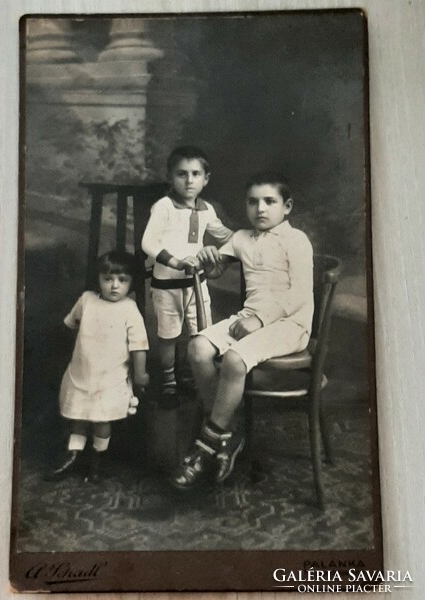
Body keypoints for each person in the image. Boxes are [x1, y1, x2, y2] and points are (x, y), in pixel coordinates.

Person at [170, 171, 314, 490]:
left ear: (286, 207)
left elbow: (299, 295)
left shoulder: (297, 240)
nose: (260, 209)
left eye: (269, 202)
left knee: (235, 361)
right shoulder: (241, 237)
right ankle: (226, 431)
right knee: (197, 348)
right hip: (249, 317)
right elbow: (216, 267)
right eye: (253, 202)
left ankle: (206, 444)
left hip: (290, 324)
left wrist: (260, 320)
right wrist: (208, 257)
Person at [46, 250, 150, 482]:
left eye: (122, 280)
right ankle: (72, 454)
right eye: (108, 279)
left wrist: (141, 374)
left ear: (131, 283)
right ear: (98, 279)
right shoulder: (87, 301)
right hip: (82, 372)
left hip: (110, 378)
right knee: (79, 416)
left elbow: (139, 345)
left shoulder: (129, 309)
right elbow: (69, 324)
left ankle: (97, 459)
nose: (114, 286)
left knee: (101, 419)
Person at [141, 145, 233, 403]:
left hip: (196, 282)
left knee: (200, 333)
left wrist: (249, 239)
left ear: (206, 179)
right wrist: (178, 262)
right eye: (182, 174)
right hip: (167, 284)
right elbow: (148, 243)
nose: (189, 180)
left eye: (196, 174)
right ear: (170, 177)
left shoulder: (207, 209)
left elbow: (225, 235)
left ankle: (195, 376)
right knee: (169, 335)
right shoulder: (164, 207)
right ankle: (169, 379)